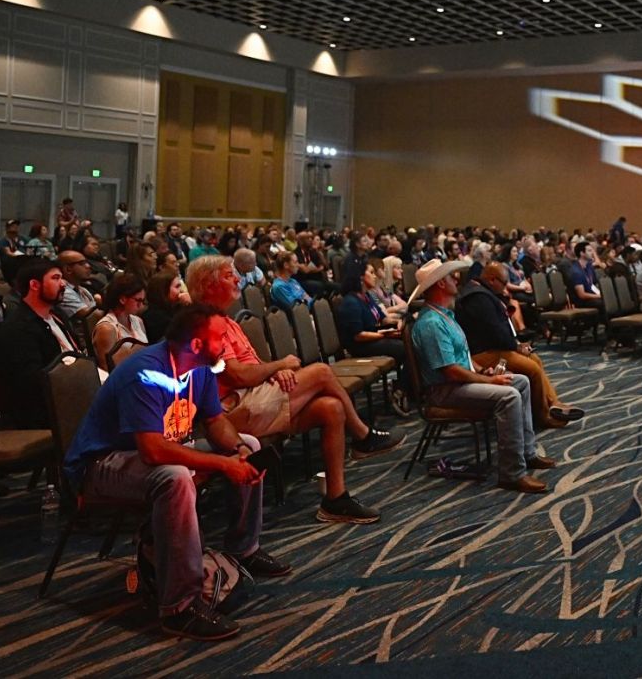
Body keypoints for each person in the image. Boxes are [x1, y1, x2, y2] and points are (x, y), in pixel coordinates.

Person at [63, 304, 291, 640]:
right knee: (175, 477)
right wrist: (222, 464)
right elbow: (153, 450)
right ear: (197, 345)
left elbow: (214, 421)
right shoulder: (145, 372)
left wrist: (236, 452)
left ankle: (245, 549)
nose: (224, 345)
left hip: (149, 454)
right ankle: (179, 607)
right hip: (100, 465)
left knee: (249, 446)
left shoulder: (199, 368)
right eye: (218, 339)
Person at [185, 254, 399, 524]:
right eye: (229, 276)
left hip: (253, 400)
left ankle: (335, 498)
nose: (238, 279)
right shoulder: (202, 323)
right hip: (230, 416)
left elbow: (253, 366)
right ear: (207, 285)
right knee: (321, 372)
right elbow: (237, 375)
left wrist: (278, 370)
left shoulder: (225, 321)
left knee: (330, 409)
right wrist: (280, 364)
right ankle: (363, 437)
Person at [409, 259, 556, 494]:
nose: (455, 279)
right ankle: (512, 473)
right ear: (439, 285)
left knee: (521, 381)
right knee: (508, 396)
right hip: (444, 392)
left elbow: (462, 357)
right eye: (448, 277)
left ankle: (527, 453)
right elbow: (450, 371)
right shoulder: (431, 324)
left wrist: (480, 370)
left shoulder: (444, 315)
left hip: (457, 383)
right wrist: (490, 381)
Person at [456, 263, 584, 430]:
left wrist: (517, 345)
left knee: (534, 359)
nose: (506, 288)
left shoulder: (483, 293)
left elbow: (498, 332)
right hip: (481, 354)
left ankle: (554, 404)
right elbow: (495, 333)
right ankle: (543, 416)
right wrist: (516, 347)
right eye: (504, 283)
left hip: (494, 348)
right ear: (492, 279)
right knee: (531, 368)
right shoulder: (477, 298)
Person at [0, 260, 79, 428]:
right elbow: (31, 384)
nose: (63, 283)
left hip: (69, 393)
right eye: (55, 278)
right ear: (34, 285)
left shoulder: (57, 316)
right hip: (39, 411)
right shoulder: (18, 328)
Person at [336, 267, 405, 364]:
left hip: (373, 339)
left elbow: (383, 319)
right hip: (361, 347)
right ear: (360, 277)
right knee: (403, 347)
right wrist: (383, 335)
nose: (375, 276)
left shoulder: (367, 296)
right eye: (371, 273)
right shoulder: (351, 302)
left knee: (408, 337)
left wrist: (398, 322)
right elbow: (358, 335)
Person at [92, 273, 149, 375]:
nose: (141, 305)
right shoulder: (107, 329)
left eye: (143, 300)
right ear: (122, 299)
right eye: (138, 300)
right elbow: (106, 370)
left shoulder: (138, 321)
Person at [143, 271, 190, 344]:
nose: (181, 290)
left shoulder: (176, 308)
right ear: (163, 290)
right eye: (177, 286)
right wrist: (189, 305)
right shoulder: (154, 317)